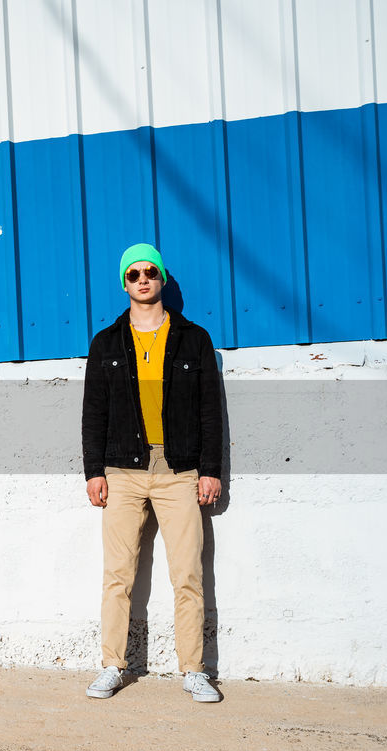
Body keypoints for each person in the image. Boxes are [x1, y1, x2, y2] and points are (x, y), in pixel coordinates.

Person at [80, 243, 223, 703]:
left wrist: (211, 471)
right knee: (117, 575)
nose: (143, 279)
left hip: (180, 470)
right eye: (134, 273)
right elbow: (93, 413)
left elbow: (209, 411)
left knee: (188, 575)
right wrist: (93, 471)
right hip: (121, 471)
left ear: (161, 278)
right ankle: (111, 665)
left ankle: (194, 671)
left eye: (151, 271)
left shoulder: (193, 339)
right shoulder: (106, 343)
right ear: (125, 283)